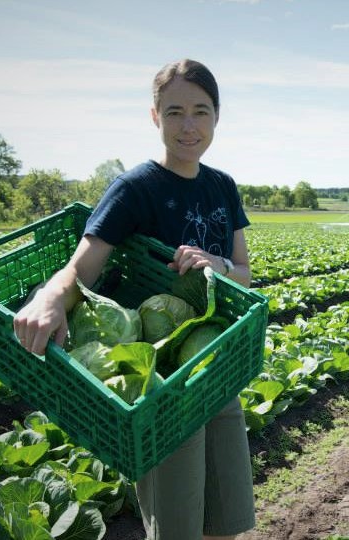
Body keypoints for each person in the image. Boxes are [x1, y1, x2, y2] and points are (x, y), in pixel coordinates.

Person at [13, 59, 255, 540]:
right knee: (178, 525)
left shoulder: (222, 186)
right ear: (154, 117)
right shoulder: (133, 189)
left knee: (226, 520)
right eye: (174, 112)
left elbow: (244, 275)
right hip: (161, 386)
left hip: (215, 366)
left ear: (217, 117)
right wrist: (50, 299)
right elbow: (79, 269)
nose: (189, 126)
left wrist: (219, 265)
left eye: (201, 112)